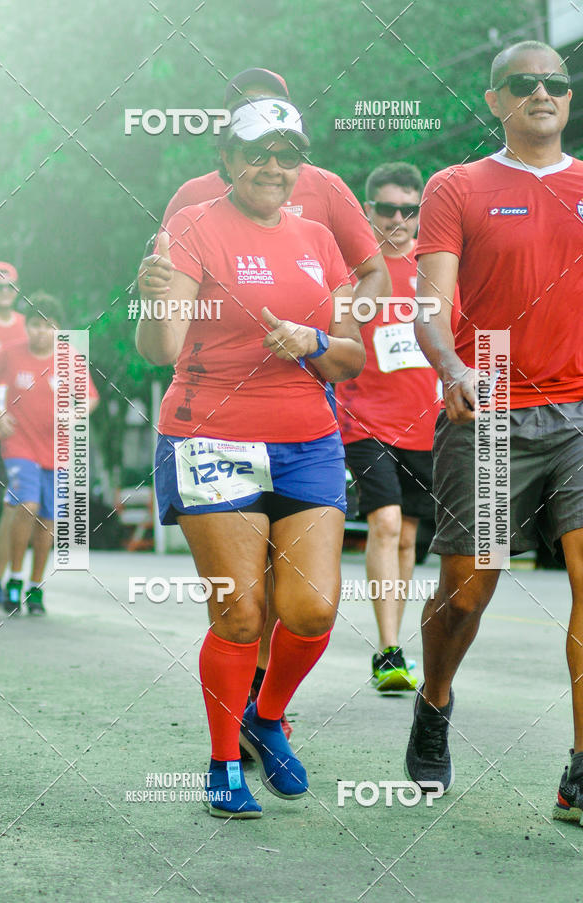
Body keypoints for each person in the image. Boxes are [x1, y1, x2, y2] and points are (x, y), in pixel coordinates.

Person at [140, 67, 390, 736]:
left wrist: (328, 335)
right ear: (225, 145)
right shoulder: (193, 206)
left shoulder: (322, 206)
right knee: (243, 608)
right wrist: (155, 298)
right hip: (215, 430)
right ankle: (230, 744)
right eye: (256, 144)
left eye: (286, 147)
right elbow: (165, 333)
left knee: (304, 603)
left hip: (306, 428)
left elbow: (370, 283)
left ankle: (263, 714)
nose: (273, 163)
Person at [403, 39, 583, 818]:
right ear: (496, 99)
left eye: (557, 84)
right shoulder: (458, 186)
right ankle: (435, 697)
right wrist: (451, 366)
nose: (543, 93)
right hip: (491, 404)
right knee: (468, 593)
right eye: (525, 83)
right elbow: (429, 308)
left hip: (580, 410)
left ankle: (579, 769)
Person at [338, 163, 460, 693]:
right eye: (386, 208)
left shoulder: (435, 269)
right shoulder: (355, 272)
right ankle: (387, 651)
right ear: (368, 211)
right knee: (386, 523)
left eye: (409, 210)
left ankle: (395, 648)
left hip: (424, 424)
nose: (398, 219)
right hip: (361, 419)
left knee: (408, 534)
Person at [0, 293, 99, 614]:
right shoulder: (11, 354)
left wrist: (75, 415)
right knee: (27, 504)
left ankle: (35, 587)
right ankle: (14, 579)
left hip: (58, 450)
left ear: (58, 329)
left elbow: (89, 398)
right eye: (35, 325)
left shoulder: (70, 358)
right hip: (19, 445)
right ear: (27, 327)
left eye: (49, 326)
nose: (41, 332)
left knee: (48, 520)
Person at [0, 262, 27, 607]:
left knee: (12, 507)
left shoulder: (28, 328)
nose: (3, 292)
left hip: (15, 432)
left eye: (9, 287)